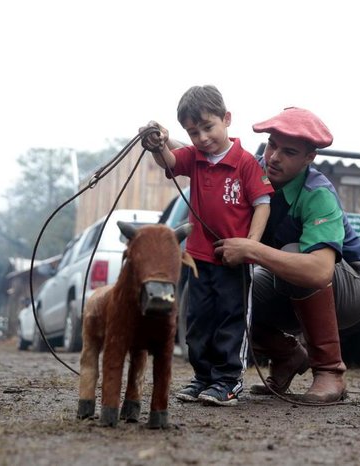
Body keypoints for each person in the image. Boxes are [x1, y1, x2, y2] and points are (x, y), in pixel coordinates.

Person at [214, 107, 360, 403]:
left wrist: (251, 248)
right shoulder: (251, 171)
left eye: (289, 152)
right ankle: (286, 355)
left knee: (297, 255)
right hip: (285, 285)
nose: (274, 157)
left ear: (309, 158)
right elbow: (208, 156)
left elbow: (319, 271)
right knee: (225, 283)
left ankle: (330, 372)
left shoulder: (318, 193)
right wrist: (163, 144)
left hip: (348, 289)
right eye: (272, 145)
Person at [140, 85, 274, 406]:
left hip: (234, 261)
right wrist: (157, 143)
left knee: (231, 318)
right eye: (193, 131)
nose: (201, 137)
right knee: (198, 320)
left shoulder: (246, 163)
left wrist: (250, 244)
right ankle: (202, 377)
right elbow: (169, 161)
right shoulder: (195, 158)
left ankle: (228, 381)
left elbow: (262, 203)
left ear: (226, 119)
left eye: (208, 127)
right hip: (198, 258)